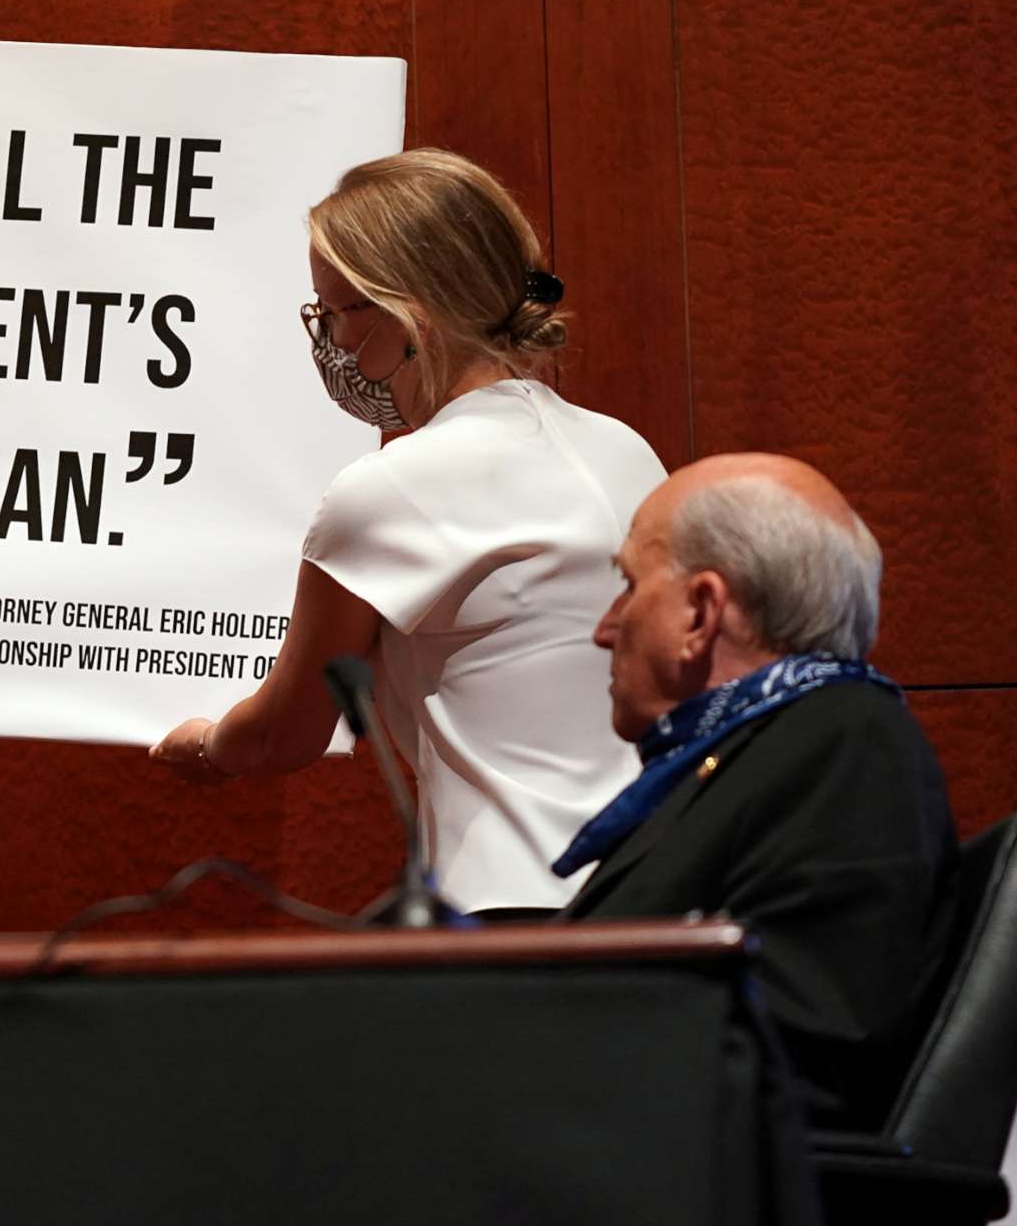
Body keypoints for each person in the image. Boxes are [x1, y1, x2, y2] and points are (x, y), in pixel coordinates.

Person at [151, 148, 667, 914]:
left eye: (334, 312)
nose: (330, 341)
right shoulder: (629, 451)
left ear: (406, 312)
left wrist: (202, 744)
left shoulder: (394, 486)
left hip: (511, 908)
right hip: (664, 890)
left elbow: (284, 733)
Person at [561, 454, 957, 1127]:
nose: (605, 628)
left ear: (701, 613)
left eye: (629, 586)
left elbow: (797, 1058)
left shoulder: (847, 745)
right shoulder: (756, 754)